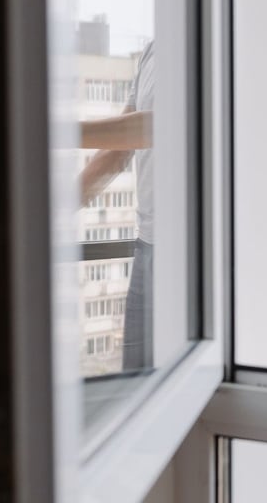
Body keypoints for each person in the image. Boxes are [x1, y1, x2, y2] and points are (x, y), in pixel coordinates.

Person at [80, 40, 155, 373]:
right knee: (137, 385)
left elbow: (151, 127)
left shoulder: (205, 39)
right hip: (148, 251)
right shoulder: (154, 50)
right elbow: (117, 151)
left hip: (195, 256)